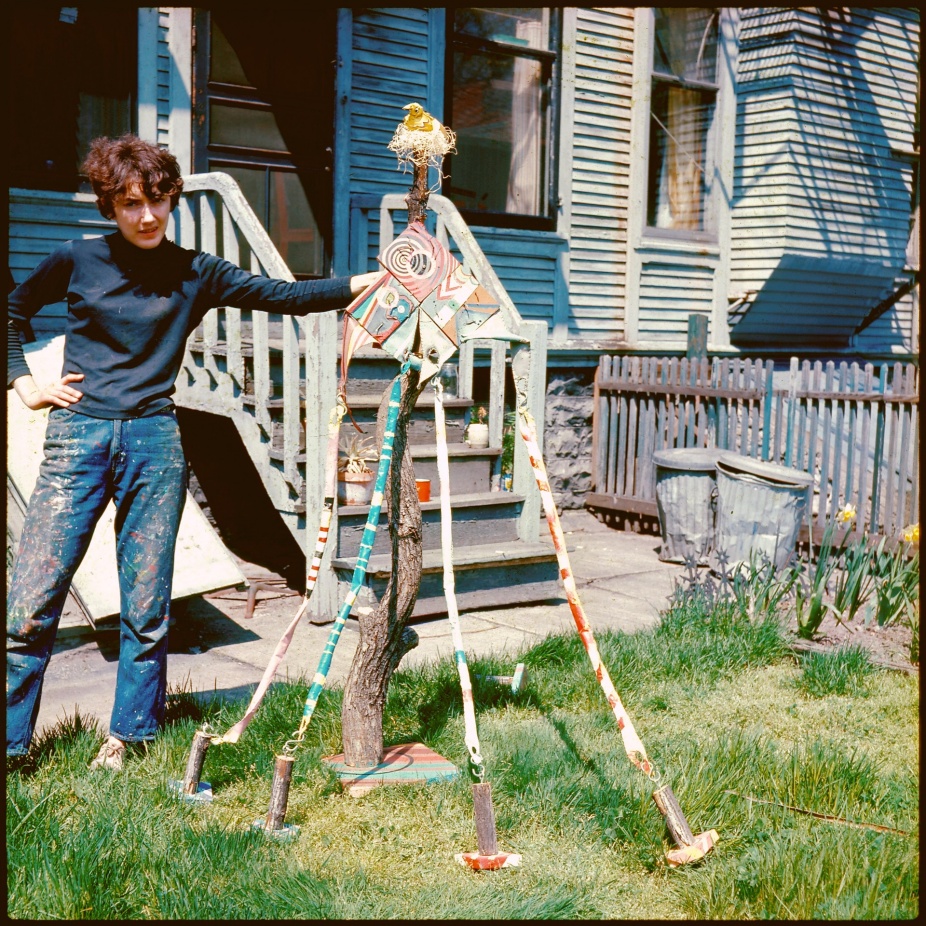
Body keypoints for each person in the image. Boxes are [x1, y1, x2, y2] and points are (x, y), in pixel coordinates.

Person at [6, 134, 378, 771]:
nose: (145, 216)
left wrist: (366, 282)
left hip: (156, 442)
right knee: (30, 606)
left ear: (171, 197)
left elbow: (281, 297)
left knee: (147, 605)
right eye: (129, 204)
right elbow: (12, 311)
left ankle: (131, 737)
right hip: (79, 437)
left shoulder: (196, 271)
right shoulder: (76, 259)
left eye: (156, 200)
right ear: (109, 206)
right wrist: (23, 381)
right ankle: (11, 747)